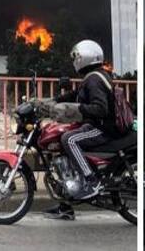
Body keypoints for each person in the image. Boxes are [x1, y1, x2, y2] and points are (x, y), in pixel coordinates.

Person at [42, 39, 117, 220]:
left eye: (76, 57)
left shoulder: (94, 79)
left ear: (85, 57)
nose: (74, 61)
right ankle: (66, 205)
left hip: (103, 128)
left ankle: (91, 181)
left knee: (69, 139)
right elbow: (76, 95)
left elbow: (101, 109)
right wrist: (52, 101)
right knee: (62, 139)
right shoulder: (93, 77)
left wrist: (77, 109)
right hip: (95, 125)